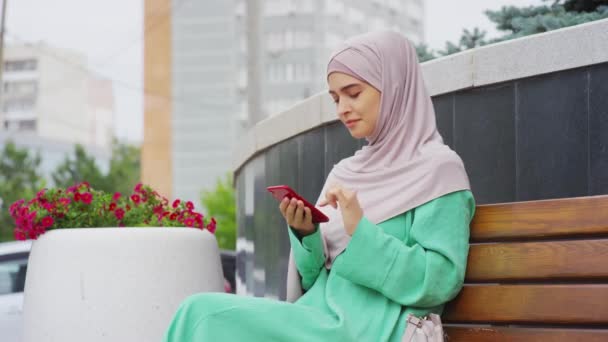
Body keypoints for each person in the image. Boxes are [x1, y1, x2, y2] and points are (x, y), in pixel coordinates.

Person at [163, 30, 474, 342]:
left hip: (372, 328)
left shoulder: (438, 170)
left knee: (204, 315)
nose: (342, 109)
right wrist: (306, 234)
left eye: (354, 93)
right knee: (197, 312)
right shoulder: (347, 172)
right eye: (336, 98)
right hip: (318, 316)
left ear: (394, 87)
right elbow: (313, 279)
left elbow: (439, 282)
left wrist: (360, 230)